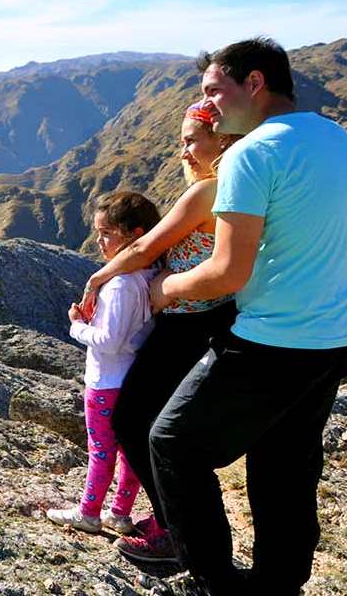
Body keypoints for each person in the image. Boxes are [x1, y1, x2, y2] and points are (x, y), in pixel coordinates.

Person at [143, 37, 347, 596]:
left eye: (214, 90)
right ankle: (278, 585)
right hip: (340, 335)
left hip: (275, 339)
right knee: (284, 465)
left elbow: (225, 272)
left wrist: (163, 290)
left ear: (255, 84)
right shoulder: (334, 135)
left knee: (173, 443)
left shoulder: (250, 153)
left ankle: (216, 582)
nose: (209, 105)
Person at [79, 101, 243, 563]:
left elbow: (148, 246)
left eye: (192, 140)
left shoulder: (206, 193)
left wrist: (99, 278)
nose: (183, 151)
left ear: (224, 140)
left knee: (135, 421)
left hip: (186, 323)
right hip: (213, 318)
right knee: (156, 421)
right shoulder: (239, 189)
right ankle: (174, 520)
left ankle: (177, 531)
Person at [46, 191, 161, 535]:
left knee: (100, 451)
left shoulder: (120, 285)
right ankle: (120, 513)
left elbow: (109, 342)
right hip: (132, 377)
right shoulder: (148, 275)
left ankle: (89, 512)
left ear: (135, 235)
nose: (99, 241)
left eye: (107, 233)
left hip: (105, 382)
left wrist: (78, 326)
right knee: (129, 453)